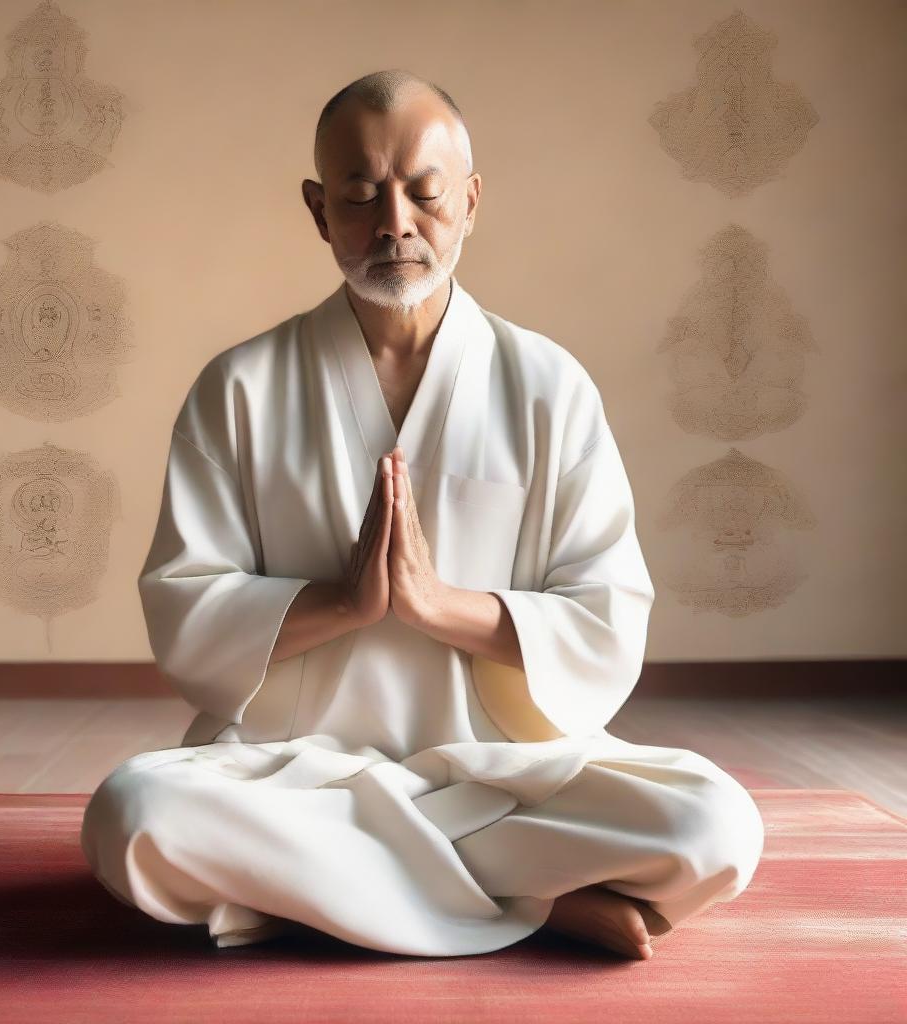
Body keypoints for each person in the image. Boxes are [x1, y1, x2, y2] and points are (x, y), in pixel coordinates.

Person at [80, 69, 765, 960]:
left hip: (503, 772)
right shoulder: (239, 388)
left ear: (471, 201)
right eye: (361, 197)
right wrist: (341, 604)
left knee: (717, 826)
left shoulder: (547, 386)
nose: (394, 224)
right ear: (319, 210)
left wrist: (441, 607)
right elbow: (184, 607)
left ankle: (329, 893)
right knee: (134, 817)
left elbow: (607, 617)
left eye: (426, 193)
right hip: (295, 773)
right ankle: (532, 900)